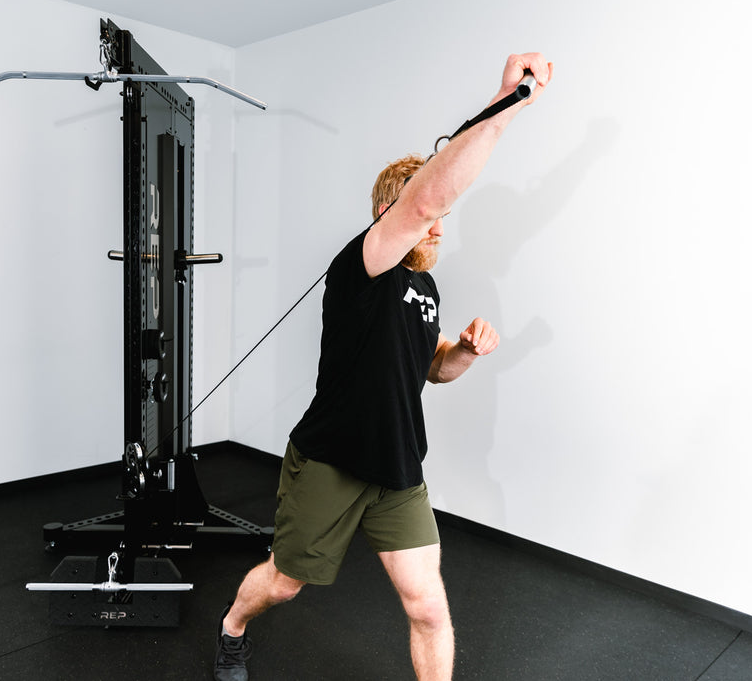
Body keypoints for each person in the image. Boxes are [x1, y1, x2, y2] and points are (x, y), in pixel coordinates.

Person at [214, 52, 553, 681]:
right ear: (388, 217)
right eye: (429, 216)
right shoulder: (361, 268)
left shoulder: (426, 291)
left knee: (427, 605)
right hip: (331, 461)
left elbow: (433, 370)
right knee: (285, 585)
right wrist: (504, 107)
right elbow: (423, 203)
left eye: (444, 220)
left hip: (398, 468)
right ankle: (232, 628)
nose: (439, 227)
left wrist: (466, 353)